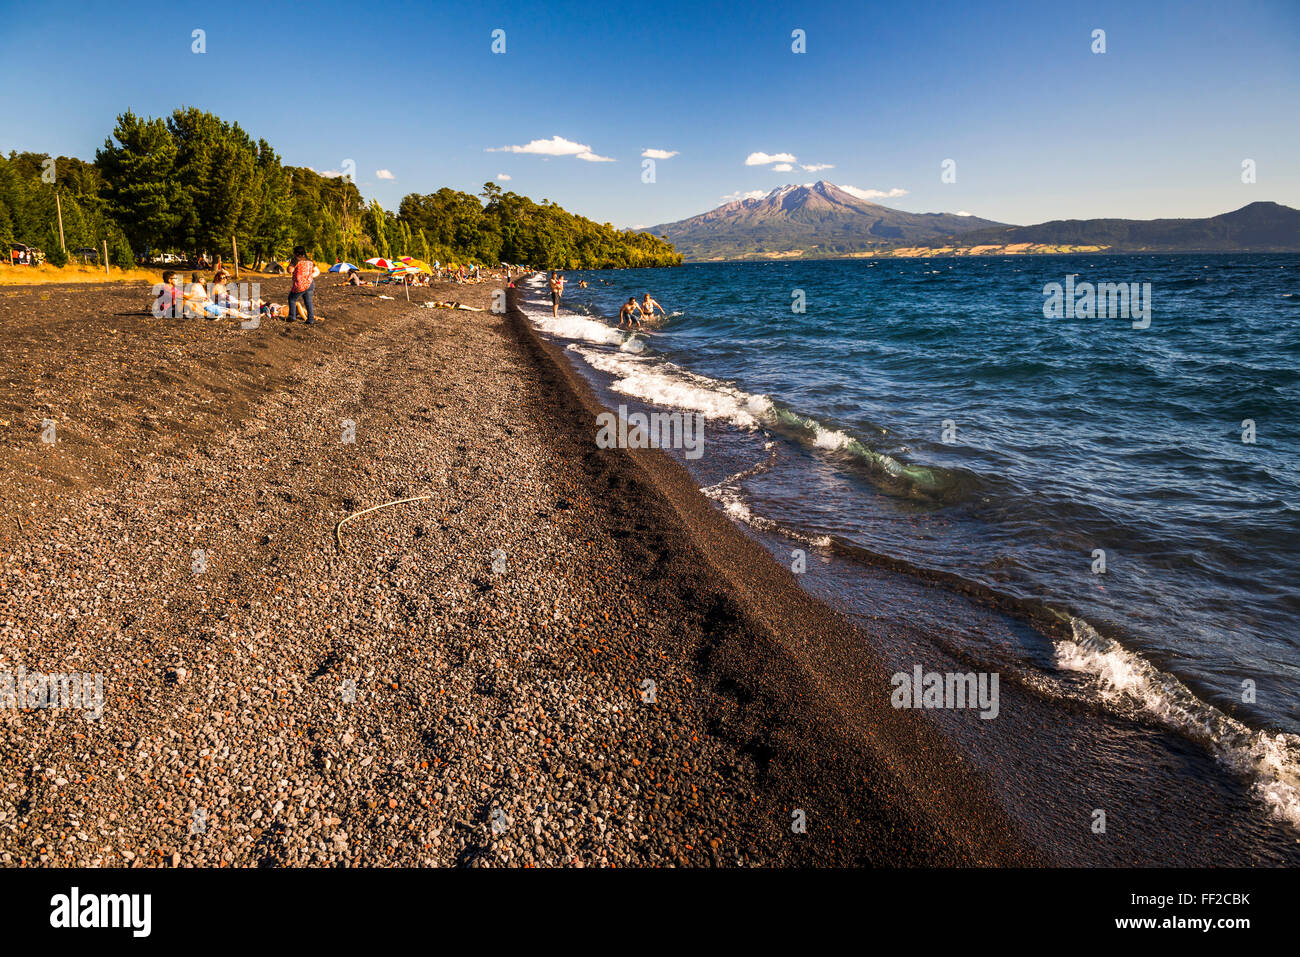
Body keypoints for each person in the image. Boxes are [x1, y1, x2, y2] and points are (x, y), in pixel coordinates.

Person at [288, 245, 320, 325]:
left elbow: (290, 270)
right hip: (310, 283)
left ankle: (292, 317)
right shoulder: (309, 261)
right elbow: (316, 271)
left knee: (292, 299)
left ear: (296, 253)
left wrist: (289, 266)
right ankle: (310, 320)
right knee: (308, 302)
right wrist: (310, 276)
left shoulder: (296, 260)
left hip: (300, 284)